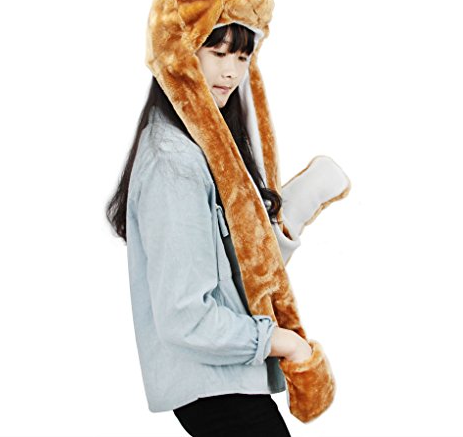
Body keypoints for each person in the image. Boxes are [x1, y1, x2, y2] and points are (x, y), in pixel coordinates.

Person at [106, 23, 312, 436]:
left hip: (227, 382)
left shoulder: (205, 147)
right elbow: (185, 316)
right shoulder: (173, 161)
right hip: (215, 390)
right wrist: (280, 341)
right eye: (218, 53)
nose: (231, 71)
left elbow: (230, 273)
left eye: (242, 57)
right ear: (182, 53)